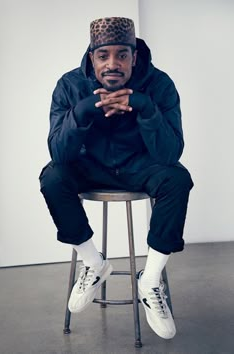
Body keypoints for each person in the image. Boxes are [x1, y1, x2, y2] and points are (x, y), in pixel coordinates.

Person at [39, 17, 193, 340]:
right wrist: (83, 111)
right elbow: (59, 154)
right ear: (91, 56)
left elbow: (170, 154)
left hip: (140, 167)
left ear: (134, 57)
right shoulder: (69, 86)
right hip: (91, 167)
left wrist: (144, 107)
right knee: (52, 177)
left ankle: (150, 281)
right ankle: (94, 265)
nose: (113, 64)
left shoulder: (159, 85)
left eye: (122, 55)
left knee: (177, 179)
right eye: (103, 56)